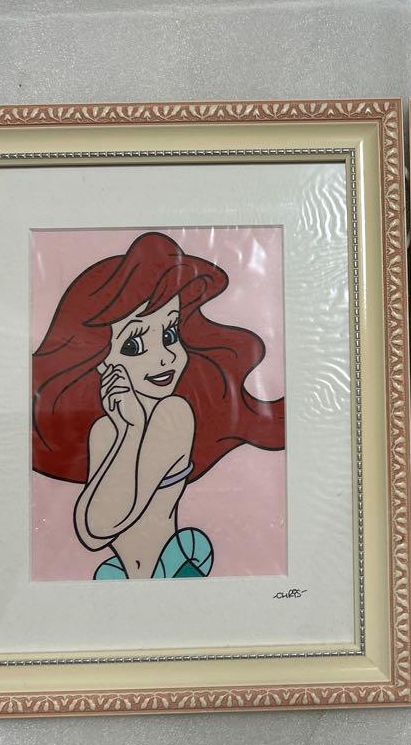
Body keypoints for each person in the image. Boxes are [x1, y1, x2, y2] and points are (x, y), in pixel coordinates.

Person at [32, 231, 284, 580]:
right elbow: (89, 533)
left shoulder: (174, 414)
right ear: (100, 361)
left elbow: (103, 524)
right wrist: (127, 427)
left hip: (173, 571)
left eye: (169, 335)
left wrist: (134, 429)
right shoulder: (106, 428)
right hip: (119, 577)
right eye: (134, 346)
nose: (165, 357)